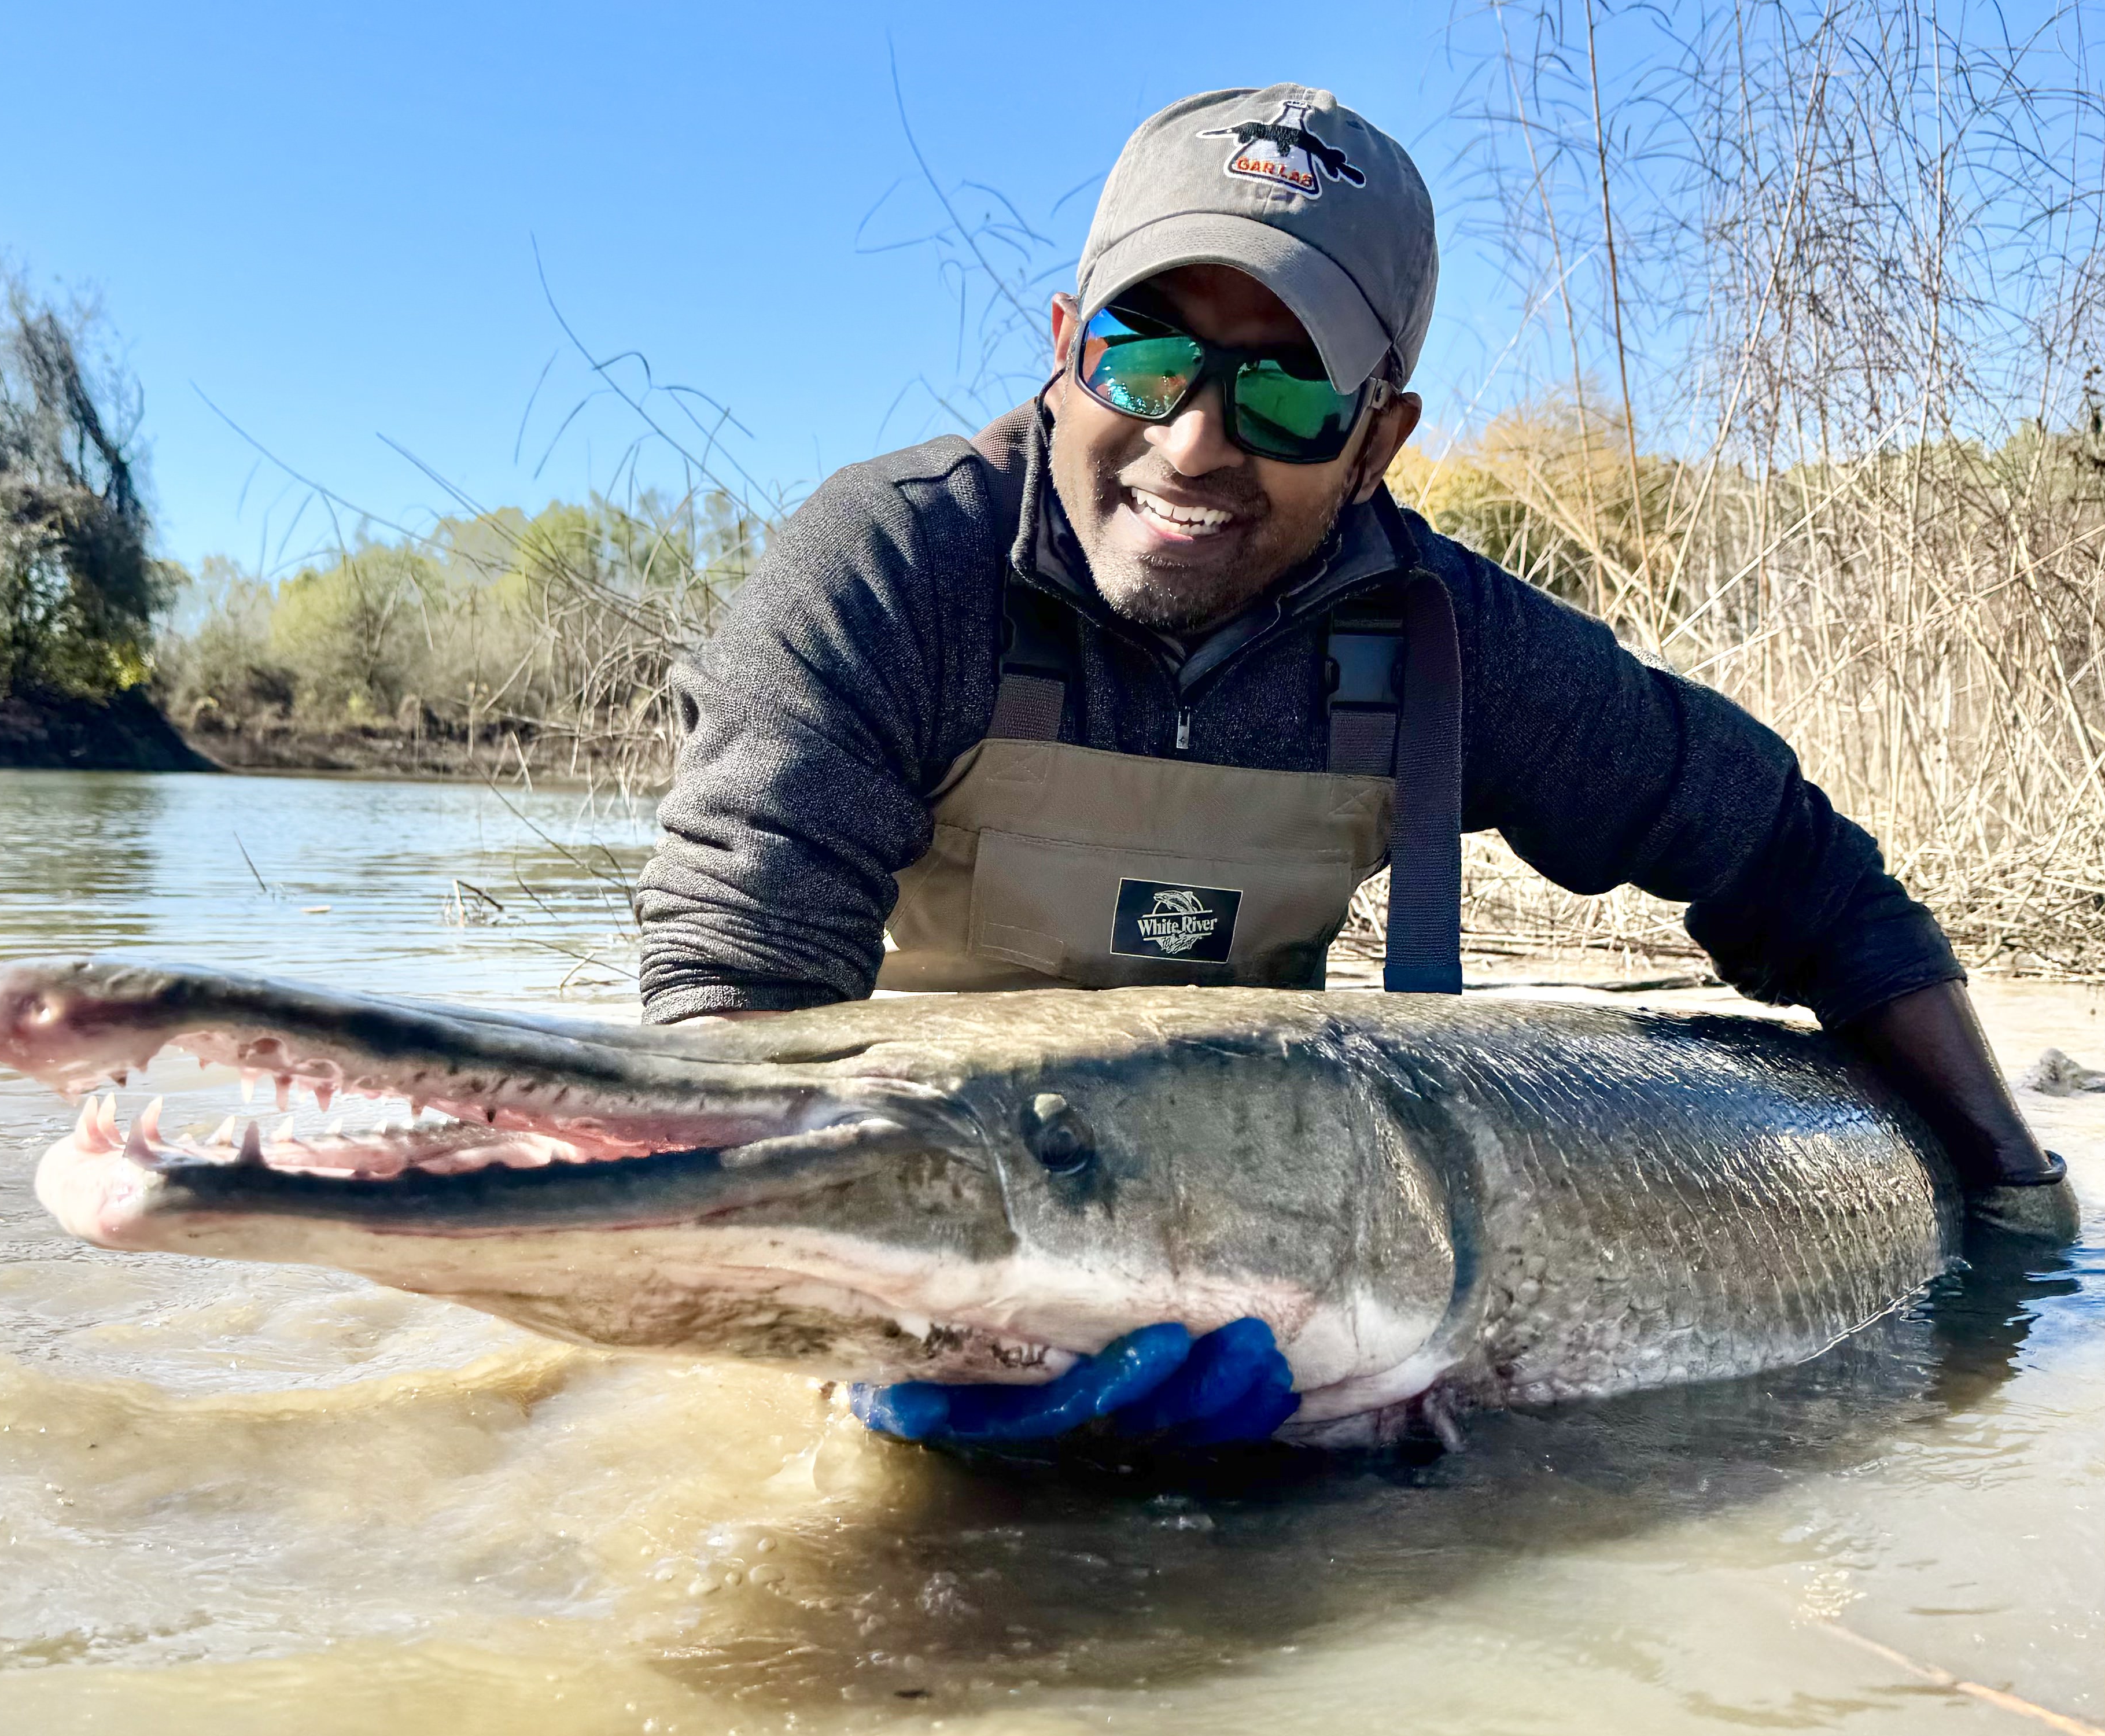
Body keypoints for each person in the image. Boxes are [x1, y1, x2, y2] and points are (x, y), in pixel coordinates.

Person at [636, 83, 2060, 1450]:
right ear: (1067, 344)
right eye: (1141, 356)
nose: (1192, 442)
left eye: (1290, 395)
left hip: (1282, 1237)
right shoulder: (891, 571)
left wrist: (2017, 1201)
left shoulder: (1458, 646)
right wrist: (838, 1344)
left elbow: (1804, 875)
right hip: (952, 1195)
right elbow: (729, 1017)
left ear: (1381, 437)